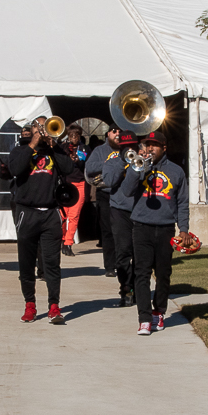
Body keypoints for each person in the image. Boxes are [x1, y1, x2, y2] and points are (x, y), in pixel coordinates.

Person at [118, 131, 188, 335]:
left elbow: (182, 202)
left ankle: (158, 312)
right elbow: (126, 191)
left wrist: (183, 228)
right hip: (141, 227)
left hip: (166, 227)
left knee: (164, 274)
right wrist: (136, 168)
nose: (150, 149)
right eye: (147, 145)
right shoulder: (138, 166)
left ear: (164, 148)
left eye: (154, 145)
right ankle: (144, 318)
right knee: (141, 273)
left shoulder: (176, 171)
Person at [4, 121, 73, 324]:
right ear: (31, 130)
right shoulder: (20, 150)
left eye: (46, 126)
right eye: (39, 127)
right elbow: (15, 169)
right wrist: (33, 143)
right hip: (27, 212)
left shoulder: (54, 150)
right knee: (26, 263)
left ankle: (54, 306)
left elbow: (68, 168)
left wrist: (55, 146)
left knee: (52, 263)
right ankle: (30, 304)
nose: (43, 130)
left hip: (50, 213)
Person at [101, 130, 138, 307]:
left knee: (140, 255)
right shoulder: (113, 162)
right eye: (125, 147)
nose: (128, 149)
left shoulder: (141, 161)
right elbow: (109, 181)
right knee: (123, 253)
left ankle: (139, 289)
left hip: (140, 211)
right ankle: (126, 290)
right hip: (120, 211)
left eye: (132, 147)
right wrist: (123, 161)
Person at [85, 126, 125, 276]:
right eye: (114, 131)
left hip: (124, 194)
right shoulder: (100, 150)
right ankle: (109, 266)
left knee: (123, 231)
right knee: (107, 231)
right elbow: (89, 168)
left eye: (120, 131)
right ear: (108, 133)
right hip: (106, 193)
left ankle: (123, 262)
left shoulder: (127, 149)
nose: (117, 134)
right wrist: (112, 165)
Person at [58, 124, 88, 256]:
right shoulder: (63, 148)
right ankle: (62, 239)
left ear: (80, 136)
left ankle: (68, 243)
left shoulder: (84, 148)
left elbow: (85, 163)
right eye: (71, 135)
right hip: (65, 184)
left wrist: (77, 160)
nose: (74, 138)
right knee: (63, 215)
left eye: (76, 135)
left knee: (74, 215)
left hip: (79, 183)